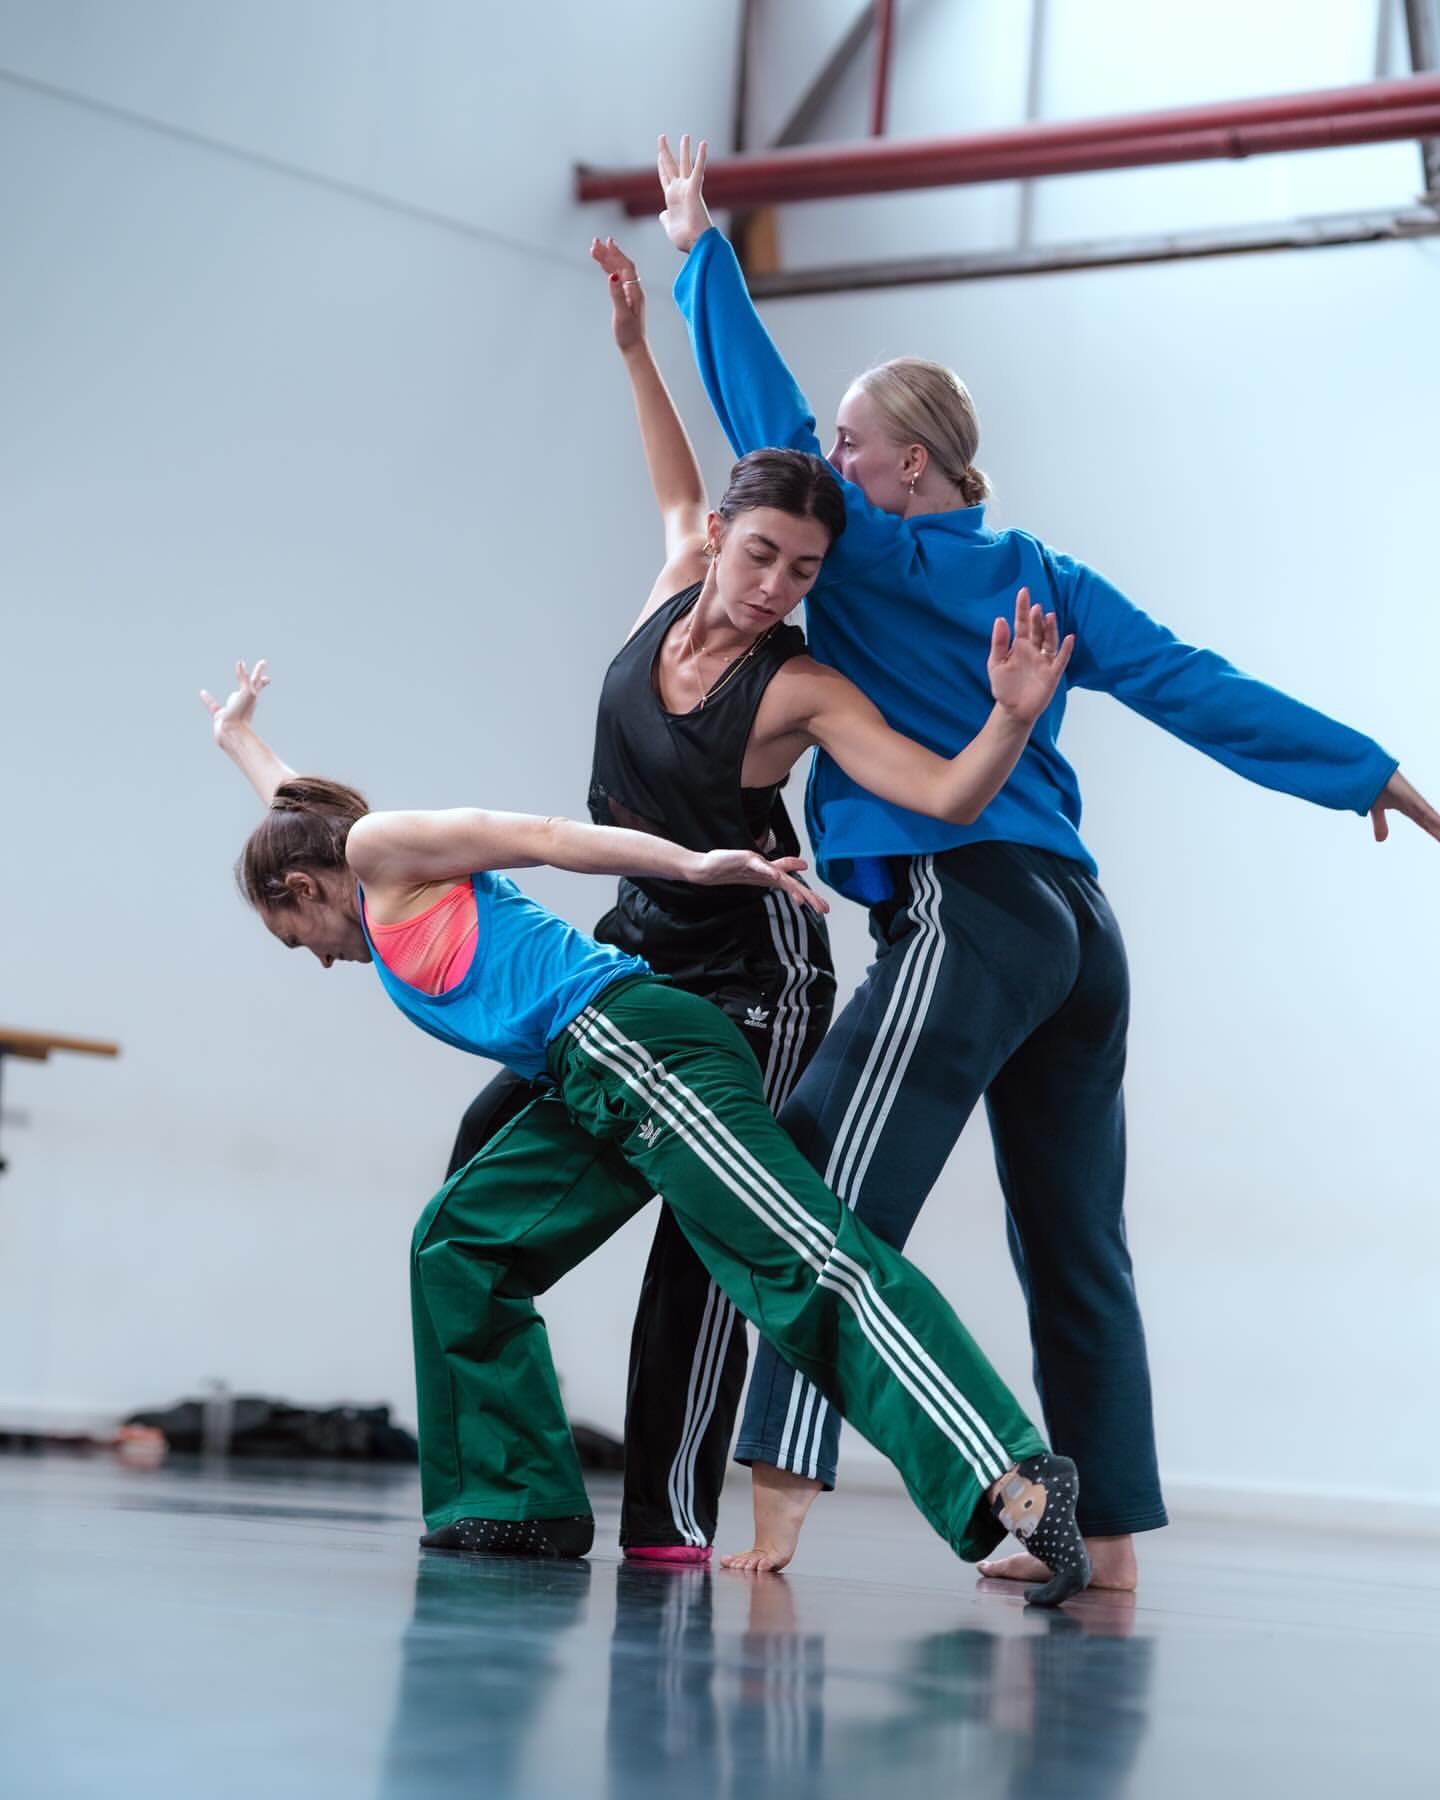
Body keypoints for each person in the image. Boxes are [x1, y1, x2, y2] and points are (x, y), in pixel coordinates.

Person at [655, 132, 1440, 1586]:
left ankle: (769, 1526)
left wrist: (701, 249)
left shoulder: (876, 553)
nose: (823, 466)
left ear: (905, 469)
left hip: (970, 912)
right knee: (1076, 1241)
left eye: (845, 447)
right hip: (1082, 934)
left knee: (816, 1191)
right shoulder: (1050, 578)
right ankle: (1120, 1551)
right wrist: (1370, 771)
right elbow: (1199, 685)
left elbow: (753, 408)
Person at [197, 662, 1094, 1606]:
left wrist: (693, 865)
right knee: (458, 1244)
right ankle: (521, 1502)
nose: (321, 959)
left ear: (303, 885)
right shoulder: (354, 881)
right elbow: (289, 807)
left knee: (799, 1262)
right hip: (587, 1080)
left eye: (298, 937)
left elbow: (541, 837)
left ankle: (1016, 1476)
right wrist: (240, 741)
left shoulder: (380, 849)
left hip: (641, 1043)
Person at [442, 235, 1072, 1564]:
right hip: (633, 953)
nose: (779, 586)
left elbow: (943, 793)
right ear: (723, 537)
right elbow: (671, 463)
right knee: (475, 1164)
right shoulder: (679, 567)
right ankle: (513, 1480)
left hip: (756, 974)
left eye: (805, 573)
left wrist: (1011, 722)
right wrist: (632, 339)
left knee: (712, 1241)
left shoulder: (802, 689)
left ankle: (670, 1522)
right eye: (765, 555)